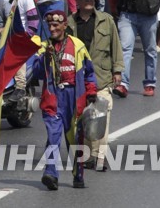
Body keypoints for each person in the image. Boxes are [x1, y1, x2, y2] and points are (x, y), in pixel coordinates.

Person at [31, 10, 97, 190]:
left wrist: (91, 91)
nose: (52, 29)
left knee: (75, 139)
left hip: (74, 98)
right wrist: (45, 56)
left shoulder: (78, 45)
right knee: (53, 136)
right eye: (49, 25)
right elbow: (35, 73)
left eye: (55, 25)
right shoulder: (43, 47)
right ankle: (51, 174)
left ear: (64, 26)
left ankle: (78, 175)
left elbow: (89, 72)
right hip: (53, 98)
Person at [67, 0, 122, 170]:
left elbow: (116, 46)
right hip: (78, 81)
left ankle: (100, 157)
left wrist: (118, 70)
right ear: (78, 1)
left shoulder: (106, 21)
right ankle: (87, 155)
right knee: (83, 120)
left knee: (101, 118)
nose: (89, 1)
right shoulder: (69, 23)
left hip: (102, 78)